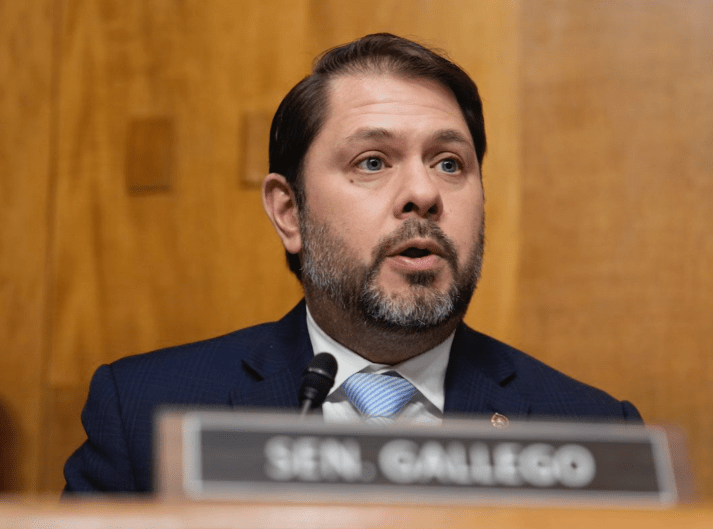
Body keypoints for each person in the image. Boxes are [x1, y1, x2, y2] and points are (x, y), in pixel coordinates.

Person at [63, 33, 641, 493]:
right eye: (372, 162)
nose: (423, 193)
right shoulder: (146, 412)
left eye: (448, 163)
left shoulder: (593, 432)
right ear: (290, 212)